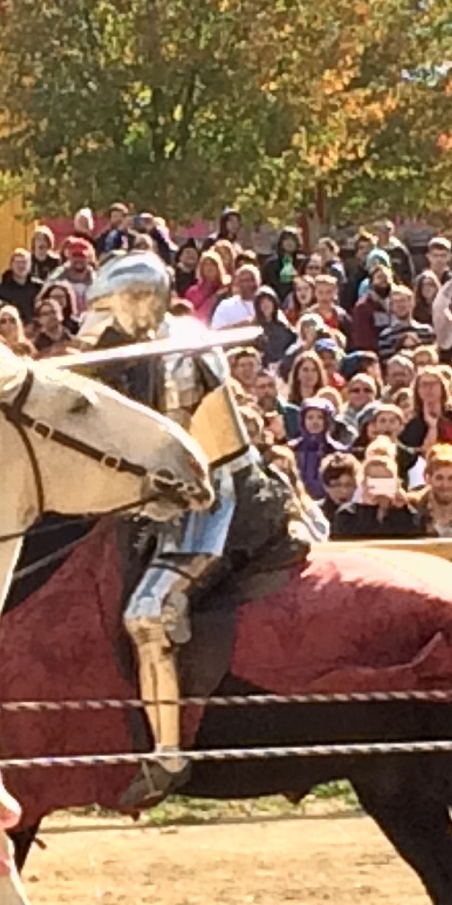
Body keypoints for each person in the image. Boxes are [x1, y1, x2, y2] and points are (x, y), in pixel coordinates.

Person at [74, 251, 319, 807]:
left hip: (213, 499)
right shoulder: (135, 347)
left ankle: (166, 759)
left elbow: (194, 457)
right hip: (163, 499)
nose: (107, 324)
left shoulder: (186, 355)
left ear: (138, 305)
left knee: (146, 615)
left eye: (114, 310)